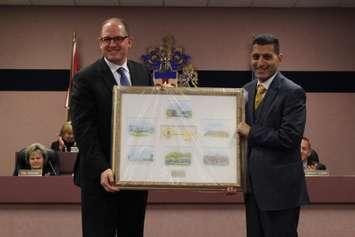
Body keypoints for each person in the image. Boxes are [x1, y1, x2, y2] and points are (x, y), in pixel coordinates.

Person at [70, 17, 153, 237]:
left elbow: (151, 120)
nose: (112, 44)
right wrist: (102, 168)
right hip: (100, 177)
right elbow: (83, 130)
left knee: (132, 232)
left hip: (135, 177)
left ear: (129, 42)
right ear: (100, 43)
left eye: (118, 38)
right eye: (107, 39)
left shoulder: (142, 73)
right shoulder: (84, 78)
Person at [236, 34, 309, 237]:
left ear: (280, 58)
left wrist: (251, 131)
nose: (260, 63)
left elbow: (289, 138)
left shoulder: (293, 92)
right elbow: (241, 142)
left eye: (267, 57)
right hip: (253, 190)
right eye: (255, 56)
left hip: (281, 191)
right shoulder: (246, 90)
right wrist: (234, 176)